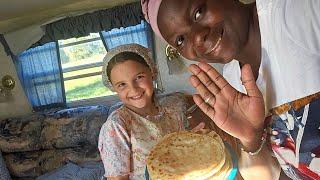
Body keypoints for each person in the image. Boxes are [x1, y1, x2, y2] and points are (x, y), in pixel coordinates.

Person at [141, 0, 320, 179]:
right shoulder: (232, 80)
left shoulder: (296, 12)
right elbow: (267, 176)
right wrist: (251, 139)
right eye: (180, 40)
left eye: (198, 12)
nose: (197, 38)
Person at [98, 44, 236, 180]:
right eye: (122, 84)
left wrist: (195, 142)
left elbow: (180, 152)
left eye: (139, 77)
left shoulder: (173, 108)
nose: (133, 89)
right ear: (113, 88)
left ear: (152, 73)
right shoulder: (116, 126)